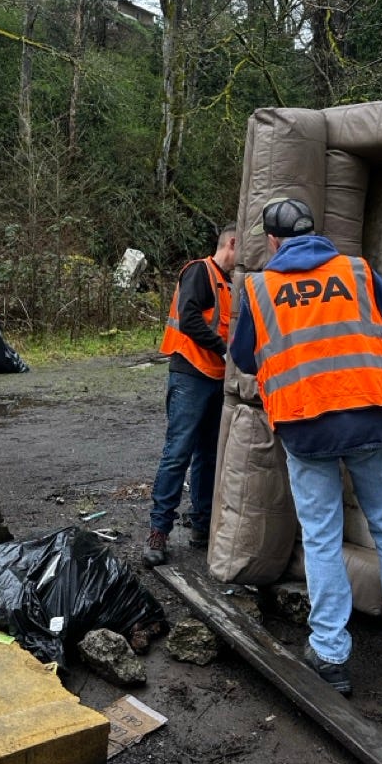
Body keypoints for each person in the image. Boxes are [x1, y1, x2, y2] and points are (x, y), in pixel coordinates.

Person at [230, 197, 382, 695]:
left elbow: (244, 357)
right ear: (315, 233)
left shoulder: (260, 287)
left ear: (272, 241)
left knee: (322, 537)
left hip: (307, 426)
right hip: (370, 416)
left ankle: (331, 654)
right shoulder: (355, 270)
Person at [143, 223, 238, 567]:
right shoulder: (200, 272)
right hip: (191, 375)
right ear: (232, 242)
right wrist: (225, 350)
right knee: (178, 452)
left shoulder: (229, 283)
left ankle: (201, 525)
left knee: (209, 454)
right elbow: (191, 321)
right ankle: (158, 532)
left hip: (215, 378)